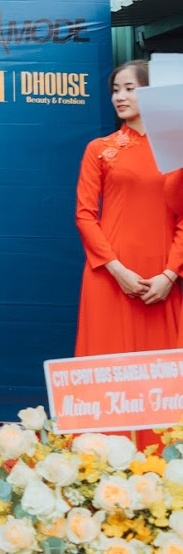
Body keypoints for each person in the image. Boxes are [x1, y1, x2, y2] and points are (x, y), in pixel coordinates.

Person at [74, 59, 183, 358]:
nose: (119, 97)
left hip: (160, 276)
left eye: (129, 89)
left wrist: (169, 275)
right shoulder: (99, 149)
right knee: (106, 360)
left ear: (153, 93)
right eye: (115, 90)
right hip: (109, 274)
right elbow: (84, 215)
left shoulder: (177, 151)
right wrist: (116, 270)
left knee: (162, 369)